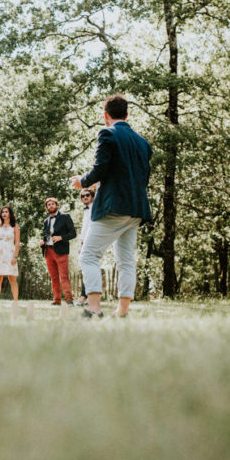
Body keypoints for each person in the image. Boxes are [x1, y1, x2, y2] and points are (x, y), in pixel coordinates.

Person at [72, 93, 152, 318]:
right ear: (127, 114)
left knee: (88, 256)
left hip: (113, 208)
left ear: (105, 115)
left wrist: (83, 181)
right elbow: (140, 176)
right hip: (136, 208)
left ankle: (94, 308)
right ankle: (122, 311)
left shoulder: (107, 133)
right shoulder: (143, 142)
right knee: (126, 260)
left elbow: (100, 168)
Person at [38, 197, 76, 305]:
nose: (50, 206)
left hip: (61, 251)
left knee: (64, 276)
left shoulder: (65, 217)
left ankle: (69, 300)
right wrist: (42, 241)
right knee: (53, 277)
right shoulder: (46, 221)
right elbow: (46, 235)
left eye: (52, 204)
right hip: (48, 252)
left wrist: (61, 237)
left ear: (56, 205)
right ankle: (56, 300)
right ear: (46, 208)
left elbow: (73, 233)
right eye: (48, 205)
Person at [77, 188, 96, 306]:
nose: (85, 197)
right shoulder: (86, 210)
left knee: (90, 268)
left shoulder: (95, 207)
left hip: (93, 241)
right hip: (85, 242)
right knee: (86, 269)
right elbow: (84, 228)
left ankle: (86, 297)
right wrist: (81, 243)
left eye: (87, 195)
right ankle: (85, 296)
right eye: (83, 196)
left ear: (92, 196)